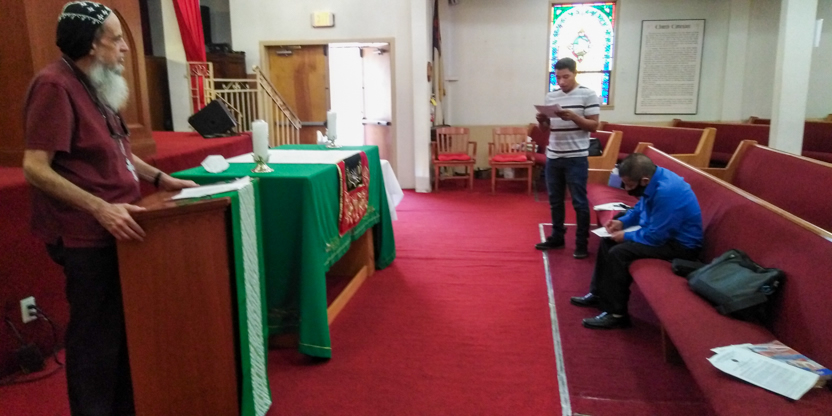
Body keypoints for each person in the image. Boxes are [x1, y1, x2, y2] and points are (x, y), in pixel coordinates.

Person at [22, 3, 197, 415]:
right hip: (85, 234)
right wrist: (100, 208)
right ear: (91, 44)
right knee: (96, 339)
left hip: (120, 226)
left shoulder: (96, 83)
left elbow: (118, 152)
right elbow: (34, 167)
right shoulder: (54, 85)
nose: (125, 48)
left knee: (122, 330)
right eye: (117, 39)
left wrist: (161, 179)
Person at [570, 154, 703, 329]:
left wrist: (625, 236)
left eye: (630, 185)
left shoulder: (667, 192)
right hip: (660, 234)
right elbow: (641, 207)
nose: (626, 189)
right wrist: (622, 222)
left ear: (644, 180)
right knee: (608, 240)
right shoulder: (655, 178)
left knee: (619, 253)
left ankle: (617, 314)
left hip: (681, 246)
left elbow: (656, 237)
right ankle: (599, 294)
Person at [534, 57, 600, 259]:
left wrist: (575, 117)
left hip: (576, 157)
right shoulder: (551, 96)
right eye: (558, 77)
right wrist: (541, 121)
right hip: (554, 155)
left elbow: (594, 126)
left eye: (566, 77)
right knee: (555, 200)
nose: (561, 81)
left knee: (579, 202)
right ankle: (557, 237)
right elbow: (545, 129)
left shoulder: (588, 94)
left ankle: (581, 243)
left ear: (575, 74)